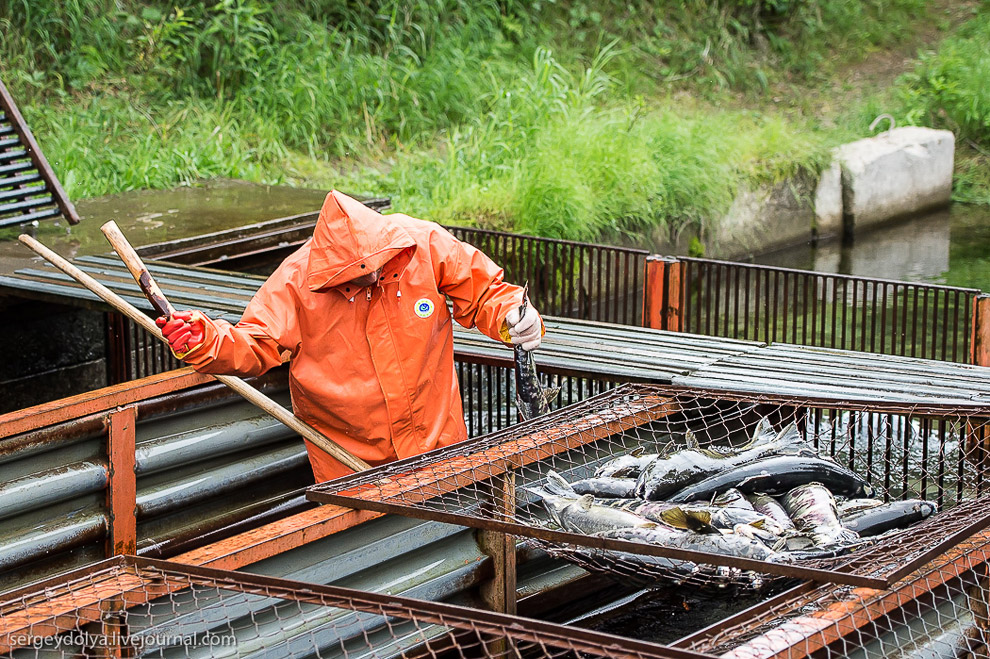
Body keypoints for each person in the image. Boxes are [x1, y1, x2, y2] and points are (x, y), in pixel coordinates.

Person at [157, 190, 544, 482]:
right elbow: (253, 344)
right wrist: (203, 339)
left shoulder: (424, 243)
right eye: (359, 275)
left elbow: (485, 292)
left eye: (379, 266)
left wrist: (514, 315)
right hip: (350, 467)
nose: (373, 277)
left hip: (440, 449)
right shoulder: (295, 281)